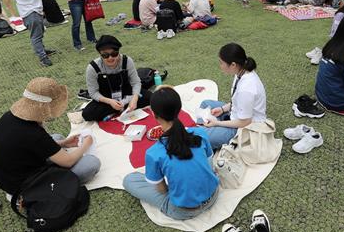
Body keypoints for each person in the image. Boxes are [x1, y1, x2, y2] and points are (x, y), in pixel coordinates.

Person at [0, 77, 101, 196]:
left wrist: (64, 143)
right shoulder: (34, 133)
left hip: (9, 175)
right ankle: (43, 190)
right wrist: (85, 145)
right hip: (23, 185)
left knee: (56, 138)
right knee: (91, 163)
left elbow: (32, 146)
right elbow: (68, 162)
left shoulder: (11, 117)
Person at [123, 87, 219, 220]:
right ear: (179, 109)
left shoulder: (154, 153)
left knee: (129, 180)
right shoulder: (200, 133)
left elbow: (162, 190)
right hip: (213, 195)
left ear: (154, 115)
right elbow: (209, 165)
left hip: (185, 210)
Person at [198, 43, 267, 150]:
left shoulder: (247, 88)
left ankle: (206, 130)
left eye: (221, 63)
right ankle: (206, 127)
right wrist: (222, 109)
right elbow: (237, 101)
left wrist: (218, 123)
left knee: (200, 136)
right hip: (236, 114)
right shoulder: (241, 71)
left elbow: (245, 122)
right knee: (206, 104)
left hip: (242, 128)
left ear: (233, 65)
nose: (220, 66)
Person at [82, 35, 153, 122]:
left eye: (114, 54)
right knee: (87, 114)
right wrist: (110, 102)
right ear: (100, 54)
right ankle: (123, 108)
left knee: (152, 98)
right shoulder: (93, 68)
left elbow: (136, 82)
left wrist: (134, 99)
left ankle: (123, 107)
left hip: (127, 94)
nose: (110, 58)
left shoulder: (127, 61)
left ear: (118, 51)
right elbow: (93, 92)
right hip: (107, 98)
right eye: (105, 55)